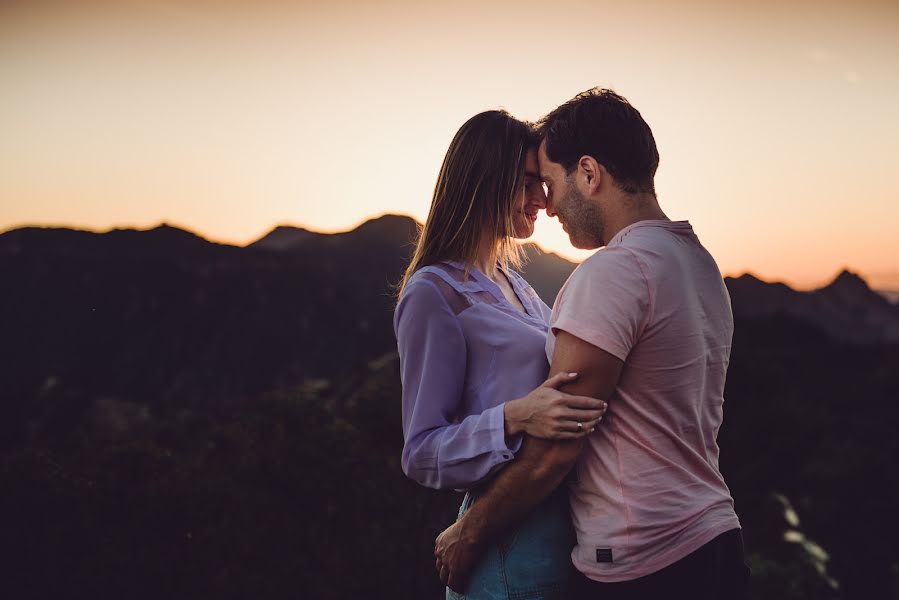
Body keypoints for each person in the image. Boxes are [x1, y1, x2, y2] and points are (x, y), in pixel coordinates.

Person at [434, 89, 750, 599]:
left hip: (643, 560)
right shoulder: (698, 262)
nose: (548, 204)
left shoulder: (614, 271)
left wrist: (469, 532)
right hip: (714, 536)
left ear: (588, 172)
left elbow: (558, 445)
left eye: (551, 183)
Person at [394, 109, 608, 599]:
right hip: (506, 546)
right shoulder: (433, 294)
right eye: (529, 182)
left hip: (563, 529)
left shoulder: (516, 285)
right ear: (488, 180)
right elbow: (421, 451)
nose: (542, 199)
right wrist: (515, 417)